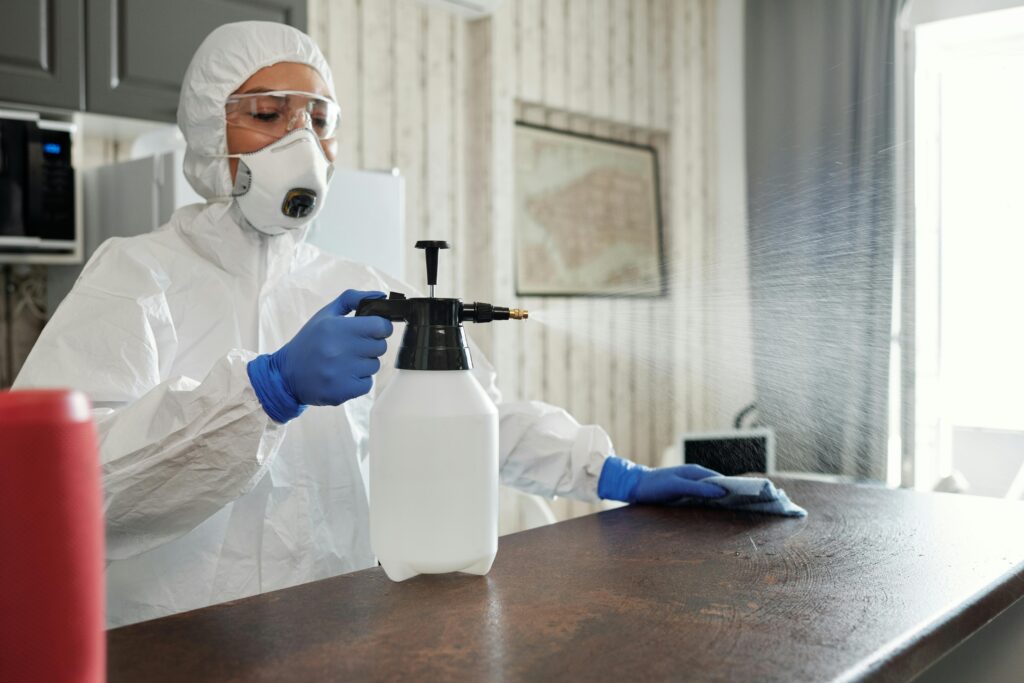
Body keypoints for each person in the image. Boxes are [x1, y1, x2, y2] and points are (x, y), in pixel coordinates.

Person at [14, 21, 725, 628]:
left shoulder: (357, 289)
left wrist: (613, 473)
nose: (300, 141)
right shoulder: (137, 278)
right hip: (174, 643)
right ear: (210, 131)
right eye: (268, 114)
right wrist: (265, 390)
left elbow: (473, 418)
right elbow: (56, 484)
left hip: (333, 631)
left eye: (318, 121)